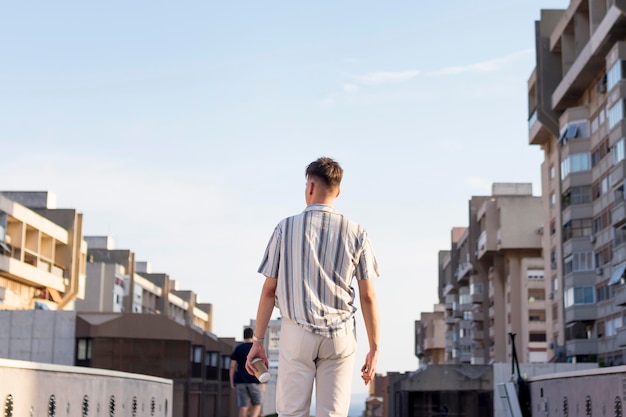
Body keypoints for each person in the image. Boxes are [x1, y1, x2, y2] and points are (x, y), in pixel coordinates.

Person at [245, 156, 380, 417]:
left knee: (292, 412)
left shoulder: (285, 228)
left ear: (309, 187)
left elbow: (269, 291)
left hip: (298, 333)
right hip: (339, 336)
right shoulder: (358, 233)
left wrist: (258, 340)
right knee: (332, 414)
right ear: (338, 191)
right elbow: (368, 296)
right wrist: (374, 349)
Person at [230, 327, 263, 417]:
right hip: (254, 379)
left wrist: (232, 381)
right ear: (252, 335)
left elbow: (232, 366)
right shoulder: (255, 348)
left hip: (240, 380)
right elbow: (261, 365)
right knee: (257, 404)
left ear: (243, 336)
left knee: (243, 406)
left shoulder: (238, 348)